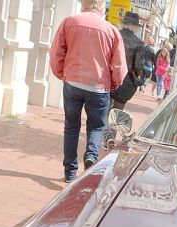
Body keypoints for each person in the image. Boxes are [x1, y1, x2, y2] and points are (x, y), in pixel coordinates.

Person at [49, 0, 127, 182]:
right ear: (101, 6)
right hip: (98, 86)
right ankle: (91, 156)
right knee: (96, 126)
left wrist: (62, 73)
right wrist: (114, 83)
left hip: (73, 82)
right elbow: (119, 65)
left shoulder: (69, 22)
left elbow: (57, 52)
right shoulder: (111, 30)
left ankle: (70, 172)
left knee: (71, 127)